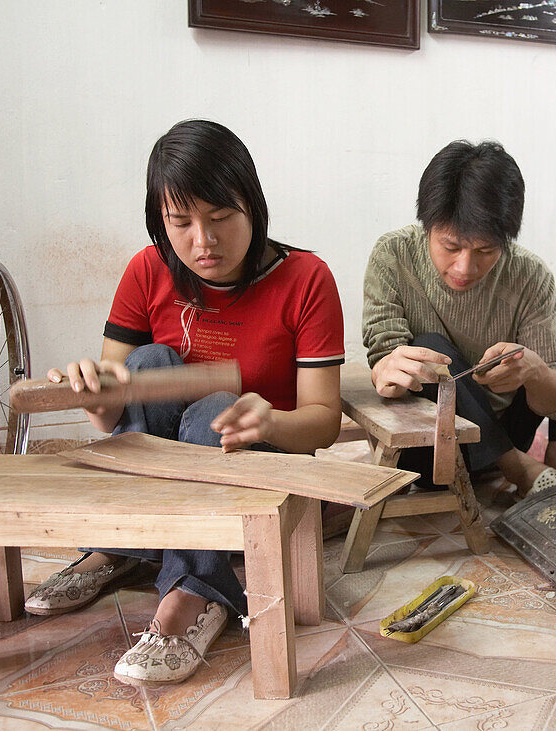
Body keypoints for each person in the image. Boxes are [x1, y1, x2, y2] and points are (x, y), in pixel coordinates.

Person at [23, 120, 345, 687]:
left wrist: (269, 417)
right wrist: (91, 391)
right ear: (160, 222)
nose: (204, 240)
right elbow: (115, 416)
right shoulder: (147, 270)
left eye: (221, 218)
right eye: (182, 223)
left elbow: (322, 423)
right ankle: (121, 549)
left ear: (254, 206)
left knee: (209, 409)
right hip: (164, 472)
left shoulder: (305, 279)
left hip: (259, 458)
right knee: (147, 365)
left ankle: (197, 591)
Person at [363, 140, 556, 496]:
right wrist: (387, 368)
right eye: (450, 247)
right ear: (426, 226)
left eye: (486, 251)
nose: (465, 267)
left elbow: (555, 403)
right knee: (427, 348)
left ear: (506, 240)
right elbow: (384, 358)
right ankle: (518, 467)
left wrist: (533, 370)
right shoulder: (393, 256)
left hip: (506, 425)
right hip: (431, 442)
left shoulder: (528, 274)